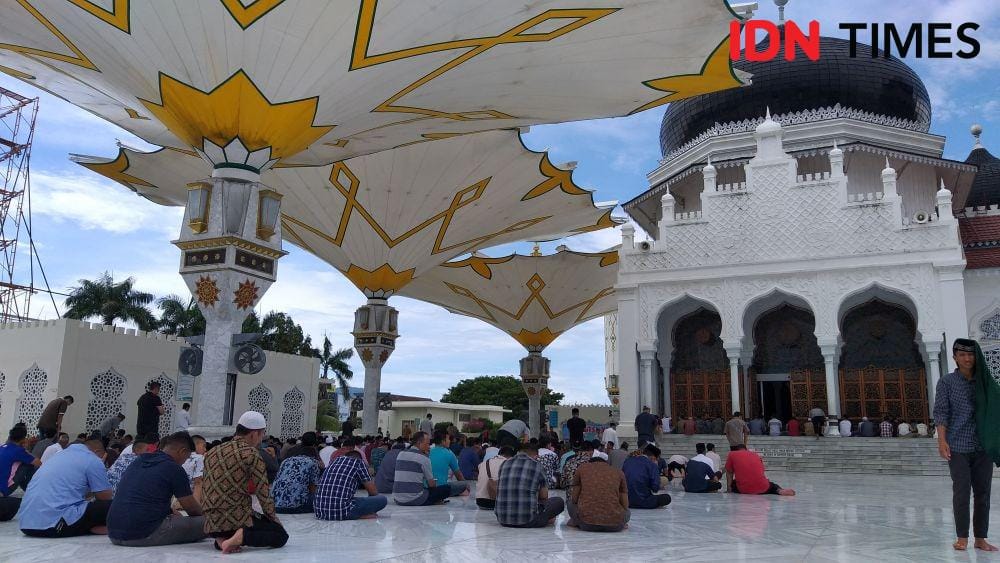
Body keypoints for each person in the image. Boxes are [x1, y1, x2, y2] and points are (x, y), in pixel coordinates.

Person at [934, 338, 998, 552]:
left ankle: (980, 538)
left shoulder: (984, 382)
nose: (967, 358)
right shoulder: (946, 382)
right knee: (961, 492)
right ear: (955, 357)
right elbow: (941, 412)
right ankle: (962, 537)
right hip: (958, 446)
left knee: (983, 493)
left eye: (970, 354)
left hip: (982, 447)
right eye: (962, 354)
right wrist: (942, 441)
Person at [202, 411, 287, 553]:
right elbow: (263, 494)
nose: (260, 441)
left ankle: (222, 540)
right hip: (236, 519)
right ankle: (241, 536)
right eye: (261, 435)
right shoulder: (251, 453)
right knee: (280, 536)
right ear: (254, 434)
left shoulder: (212, 451)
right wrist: (275, 521)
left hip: (210, 523)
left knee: (233, 524)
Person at [107, 432, 205, 547]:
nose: (185, 461)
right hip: (144, 534)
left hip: (113, 533)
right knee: (208, 524)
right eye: (187, 457)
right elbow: (193, 510)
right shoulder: (173, 468)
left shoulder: (138, 461)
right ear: (182, 451)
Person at [17, 438, 112, 537]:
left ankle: (89, 527)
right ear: (97, 452)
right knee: (114, 505)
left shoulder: (58, 456)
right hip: (54, 525)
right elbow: (105, 497)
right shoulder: (93, 459)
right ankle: (99, 527)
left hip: (27, 525)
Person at [495, 443, 564, 528]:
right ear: (536, 456)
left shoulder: (504, 464)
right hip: (528, 520)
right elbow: (544, 496)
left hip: (502, 519)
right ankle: (545, 518)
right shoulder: (538, 466)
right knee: (559, 502)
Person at [314, 451, 387, 520]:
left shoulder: (334, 461)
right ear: (359, 458)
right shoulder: (358, 462)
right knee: (382, 499)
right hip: (342, 511)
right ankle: (358, 515)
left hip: (320, 511)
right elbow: (373, 492)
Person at [567, 450, 629, 532]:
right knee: (628, 513)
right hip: (615, 525)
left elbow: (574, 499)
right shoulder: (618, 472)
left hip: (586, 524)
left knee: (569, 503)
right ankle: (621, 522)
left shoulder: (582, 468)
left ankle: (576, 521)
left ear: (590, 463)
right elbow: (625, 505)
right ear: (606, 463)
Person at [393, 431, 451, 506]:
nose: (429, 447)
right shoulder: (424, 458)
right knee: (446, 489)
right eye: (427, 444)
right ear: (419, 443)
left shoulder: (400, 454)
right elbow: (431, 484)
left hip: (398, 499)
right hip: (415, 499)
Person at [270, 444, 322, 514]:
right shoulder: (313, 462)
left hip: (274, 505)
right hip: (295, 507)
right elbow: (313, 489)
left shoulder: (286, 461)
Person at [725, 444, 795, 496]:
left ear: (735, 449)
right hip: (763, 487)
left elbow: (729, 472)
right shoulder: (755, 454)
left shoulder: (732, 454)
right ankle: (779, 490)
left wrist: (729, 488)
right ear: (746, 449)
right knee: (772, 485)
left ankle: (733, 488)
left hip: (744, 489)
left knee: (734, 483)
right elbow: (762, 470)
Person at [622, 444, 671, 509]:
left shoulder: (628, 461)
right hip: (644, 501)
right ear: (653, 457)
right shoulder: (652, 465)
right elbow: (655, 488)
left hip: (626, 501)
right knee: (666, 498)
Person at [0, 425, 40, 500]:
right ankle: (31, 491)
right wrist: (26, 449)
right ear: (23, 439)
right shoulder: (18, 451)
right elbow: (38, 463)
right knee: (28, 465)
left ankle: (29, 490)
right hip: (4, 489)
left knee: (23, 462)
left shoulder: (2, 447)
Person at [429, 431, 469, 497]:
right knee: (464, 485)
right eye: (448, 439)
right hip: (442, 489)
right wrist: (466, 485)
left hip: (428, 488)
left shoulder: (428, 451)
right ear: (443, 441)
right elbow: (459, 476)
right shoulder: (450, 453)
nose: (450, 441)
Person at [475, 445, 513, 510]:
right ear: (511, 457)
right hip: (496, 503)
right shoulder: (509, 464)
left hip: (479, 502)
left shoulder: (484, 463)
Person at [182, 434, 206, 503]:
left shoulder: (182, 456)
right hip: (191, 498)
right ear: (196, 445)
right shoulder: (200, 458)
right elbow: (198, 481)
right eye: (203, 446)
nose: (205, 449)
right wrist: (196, 505)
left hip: (178, 496)